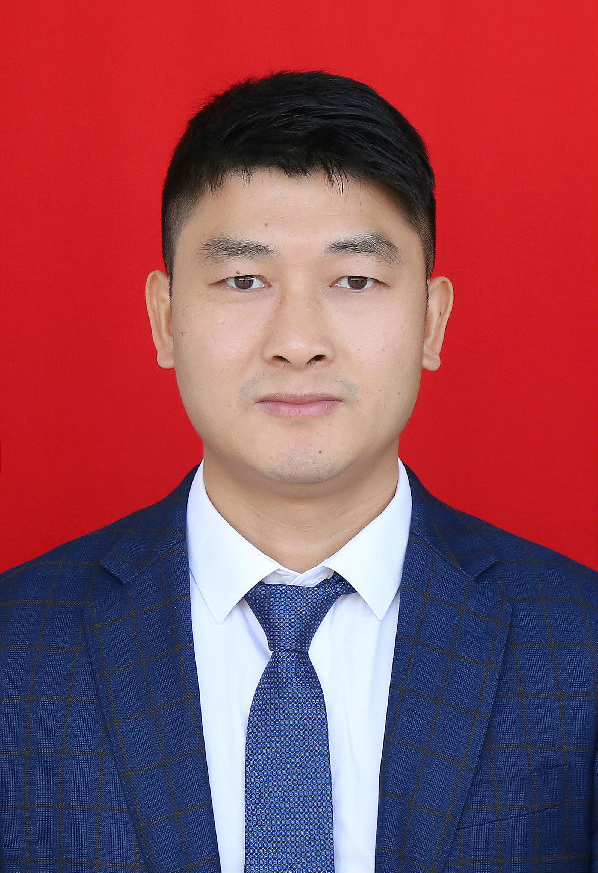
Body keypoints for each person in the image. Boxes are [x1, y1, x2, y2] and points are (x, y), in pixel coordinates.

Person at [0, 71, 596, 873]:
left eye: (355, 280)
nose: (297, 342)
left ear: (432, 320)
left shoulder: (580, 644)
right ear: (165, 318)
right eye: (244, 281)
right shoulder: (18, 647)